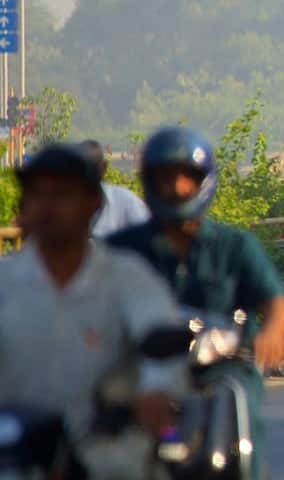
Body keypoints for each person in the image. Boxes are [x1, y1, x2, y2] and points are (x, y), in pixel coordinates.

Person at [105, 127, 284, 478]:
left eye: (186, 178)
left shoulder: (234, 246)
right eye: (165, 178)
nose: (175, 187)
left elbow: (275, 302)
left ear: (203, 182)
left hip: (219, 368)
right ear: (150, 181)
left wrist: (272, 333)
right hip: (141, 367)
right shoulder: (122, 249)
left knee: (242, 406)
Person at [0, 144, 186, 478]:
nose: (48, 207)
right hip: (18, 453)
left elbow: (159, 335)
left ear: (93, 203)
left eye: (62, 194)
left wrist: (155, 388)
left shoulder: (127, 278)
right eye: (37, 194)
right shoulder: (6, 281)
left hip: (106, 451)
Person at [78, 139, 149, 238]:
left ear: (104, 167)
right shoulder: (62, 206)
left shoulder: (126, 202)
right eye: (80, 168)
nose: (86, 174)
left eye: (91, 167)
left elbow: (147, 237)